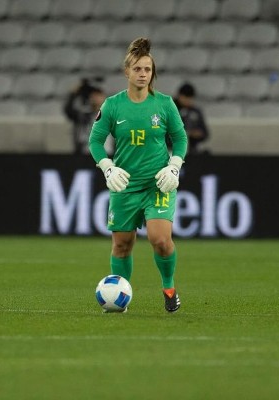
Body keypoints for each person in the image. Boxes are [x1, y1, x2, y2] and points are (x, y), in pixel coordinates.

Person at [88, 37, 188, 313]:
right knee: (122, 245)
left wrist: (174, 165)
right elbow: (95, 142)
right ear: (127, 72)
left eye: (147, 69)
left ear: (152, 72)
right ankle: (121, 297)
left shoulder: (165, 104)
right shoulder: (112, 106)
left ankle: (169, 287)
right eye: (138, 69)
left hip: (158, 183)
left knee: (161, 240)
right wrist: (107, 167)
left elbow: (180, 138)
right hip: (124, 185)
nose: (143, 74)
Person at [63, 78, 106, 155]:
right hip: (86, 155)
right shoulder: (83, 116)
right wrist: (73, 93)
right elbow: (68, 110)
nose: (95, 98)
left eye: (97, 95)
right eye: (92, 95)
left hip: (107, 156)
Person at [171, 83, 209, 155]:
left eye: (190, 98)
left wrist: (199, 134)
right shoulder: (171, 110)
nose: (188, 101)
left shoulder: (195, 112)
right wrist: (188, 133)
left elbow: (205, 133)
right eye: (185, 97)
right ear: (180, 96)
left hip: (192, 149)